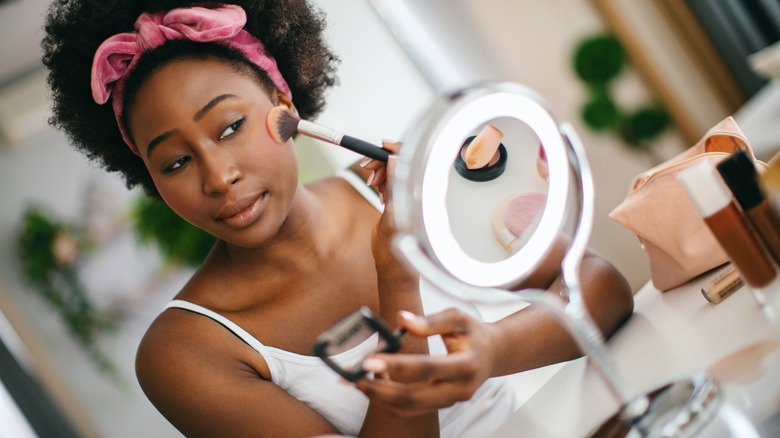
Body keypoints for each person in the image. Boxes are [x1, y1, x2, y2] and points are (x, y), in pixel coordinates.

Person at [42, 0, 635, 436]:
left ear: (284, 107)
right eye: (174, 162)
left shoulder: (392, 192)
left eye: (230, 127)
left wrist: (493, 350)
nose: (218, 176)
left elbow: (603, 290)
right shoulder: (185, 353)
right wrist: (396, 273)